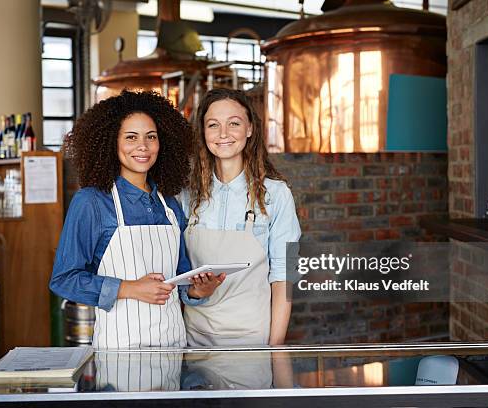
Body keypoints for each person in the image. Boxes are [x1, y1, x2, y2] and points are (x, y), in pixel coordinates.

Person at [50, 90, 219, 349]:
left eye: (151, 137)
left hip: (173, 345)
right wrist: (129, 288)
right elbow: (64, 279)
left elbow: (181, 278)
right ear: (111, 143)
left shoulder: (169, 204)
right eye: (131, 137)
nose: (143, 146)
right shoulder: (92, 202)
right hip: (119, 352)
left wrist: (199, 290)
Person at [179, 88, 301, 346]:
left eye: (233, 123)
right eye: (213, 125)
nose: (223, 134)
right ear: (203, 132)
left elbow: (283, 277)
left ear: (249, 129)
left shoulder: (276, 196)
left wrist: (274, 348)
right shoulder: (186, 197)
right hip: (193, 343)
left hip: (252, 342)